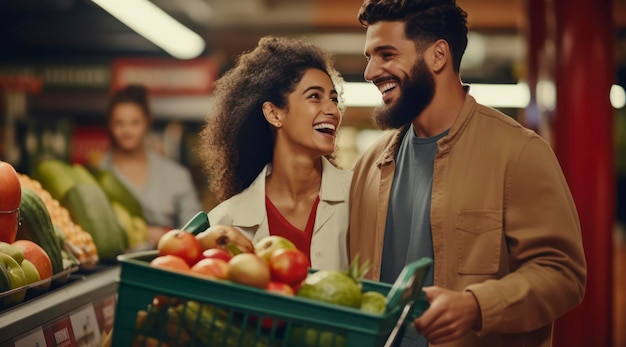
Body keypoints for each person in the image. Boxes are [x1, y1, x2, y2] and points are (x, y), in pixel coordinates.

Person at [349, 1, 587, 346]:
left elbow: (562, 274)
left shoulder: (518, 152)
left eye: (386, 54)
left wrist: (477, 306)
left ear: (438, 55)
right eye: (369, 56)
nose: (371, 71)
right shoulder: (369, 165)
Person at [198, 36, 350, 271]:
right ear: (274, 114)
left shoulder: (361, 195)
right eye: (314, 96)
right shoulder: (224, 222)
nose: (332, 110)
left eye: (333, 99)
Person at [100, 84, 202, 247]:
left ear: (148, 122)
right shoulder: (98, 174)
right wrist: (139, 233)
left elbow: (197, 229)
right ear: (110, 125)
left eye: (135, 123)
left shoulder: (176, 175)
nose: (127, 131)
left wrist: (169, 237)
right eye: (119, 123)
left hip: (170, 260)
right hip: (109, 266)